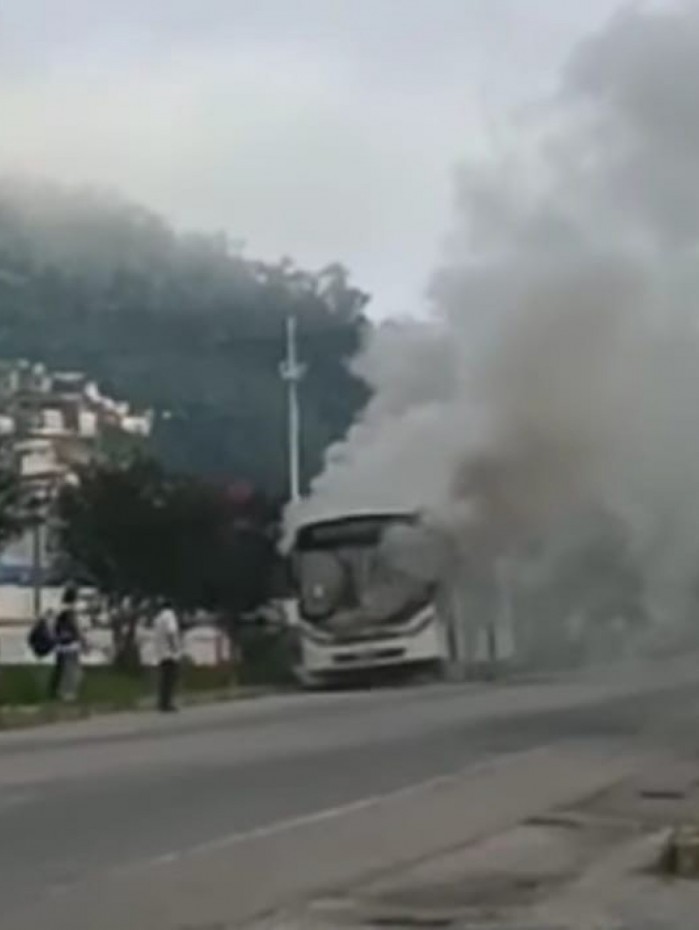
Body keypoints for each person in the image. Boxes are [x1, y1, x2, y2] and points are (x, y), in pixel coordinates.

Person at [48, 586, 83, 702]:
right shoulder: (70, 610)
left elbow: (54, 627)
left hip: (61, 645)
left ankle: (56, 691)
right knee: (72, 671)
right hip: (70, 645)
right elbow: (75, 628)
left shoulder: (60, 608)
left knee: (61, 669)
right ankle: (68, 693)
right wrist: (83, 640)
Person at [153, 599, 181, 712]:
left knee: (164, 679)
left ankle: (162, 702)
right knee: (170, 679)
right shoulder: (170, 616)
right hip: (169, 652)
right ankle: (167, 703)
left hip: (160, 652)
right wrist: (175, 647)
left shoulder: (158, 618)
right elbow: (171, 632)